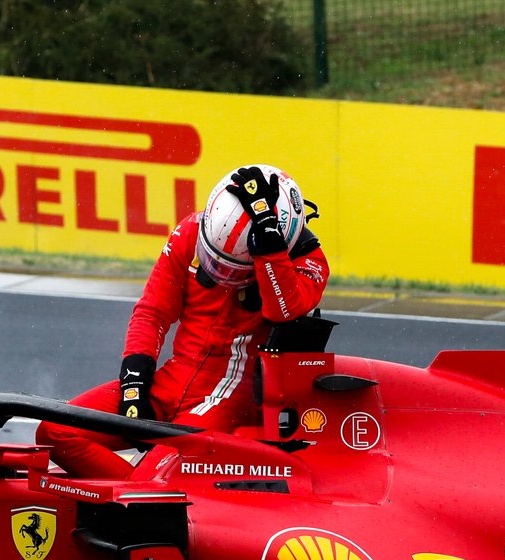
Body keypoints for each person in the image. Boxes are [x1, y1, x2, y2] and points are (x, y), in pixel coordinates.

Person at [36, 164, 330, 478]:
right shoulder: (193, 229)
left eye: (234, 268)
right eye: (213, 258)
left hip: (231, 397)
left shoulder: (309, 262)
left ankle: (142, 504)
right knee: (54, 432)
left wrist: (270, 252)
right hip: (173, 378)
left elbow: (283, 311)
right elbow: (153, 312)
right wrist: (134, 383)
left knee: (158, 477)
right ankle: (132, 504)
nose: (221, 273)